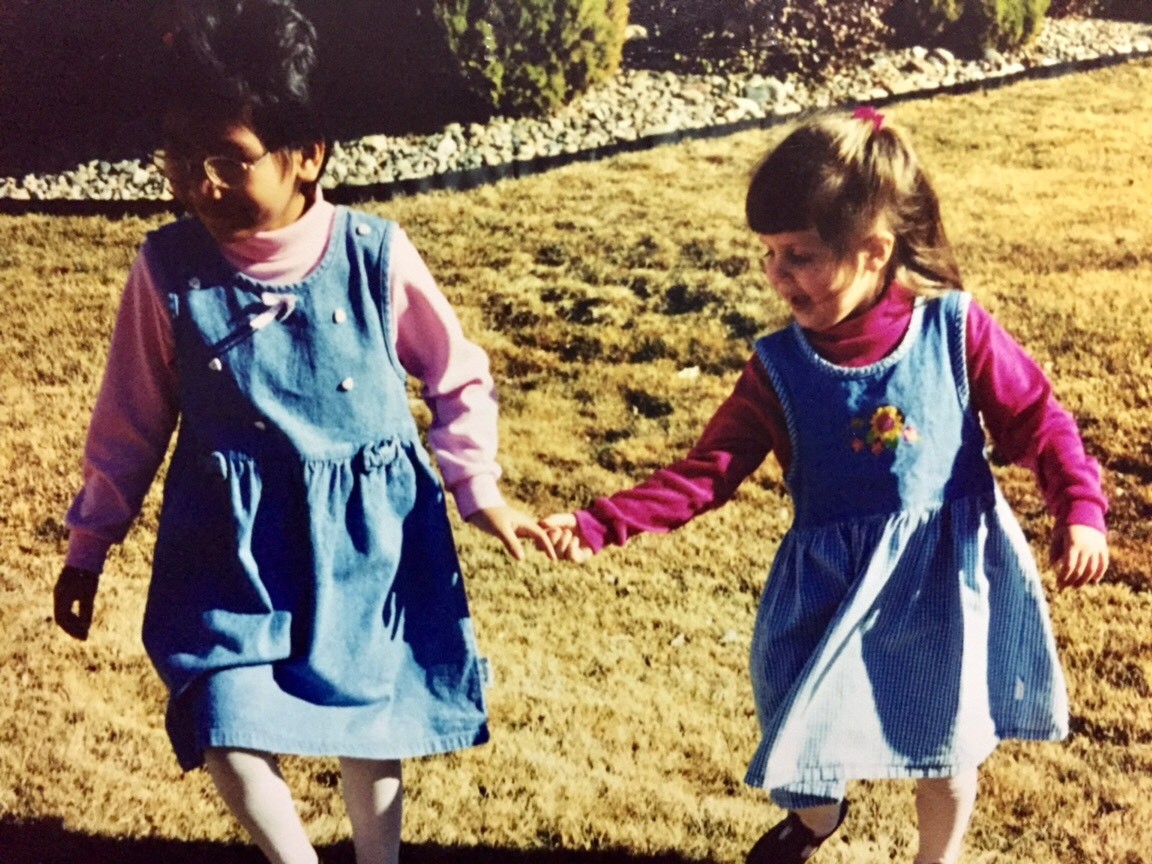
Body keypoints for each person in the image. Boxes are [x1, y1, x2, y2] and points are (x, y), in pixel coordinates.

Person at [51, 2, 555, 862]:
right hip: (228, 548)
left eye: (228, 161)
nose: (198, 183)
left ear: (307, 155)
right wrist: (89, 545)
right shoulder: (166, 270)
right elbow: (128, 419)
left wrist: (481, 491)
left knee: (370, 712)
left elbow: (456, 372)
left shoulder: (374, 254)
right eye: (179, 159)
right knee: (220, 715)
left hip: (366, 543)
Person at [542, 107, 1109, 864]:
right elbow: (707, 470)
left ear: (873, 252)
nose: (778, 275)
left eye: (799, 255)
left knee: (944, 741)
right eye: (769, 254)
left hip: (936, 581)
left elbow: (1039, 419)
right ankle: (815, 819)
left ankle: (935, 858)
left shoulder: (953, 329)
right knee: (793, 720)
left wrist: (1080, 511)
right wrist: (600, 524)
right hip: (826, 582)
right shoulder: (778, 368)